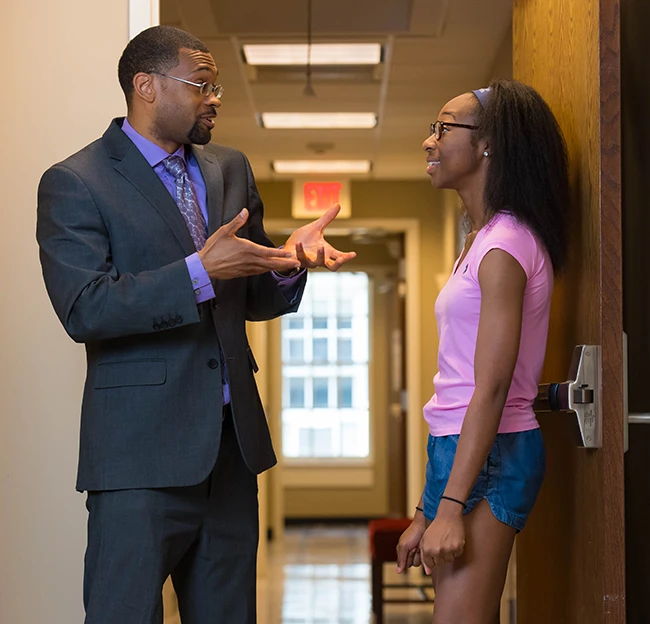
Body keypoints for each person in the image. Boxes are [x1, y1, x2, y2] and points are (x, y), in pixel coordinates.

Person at [36, 25, 355, 624]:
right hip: (137, 460)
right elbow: (84, 306)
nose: (215, 98)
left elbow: (249, 294)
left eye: (217, 87)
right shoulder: (77, 181)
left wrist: (288, 262)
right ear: (146, 86)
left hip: (232, 455)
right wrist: (197, 272)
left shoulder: (229, 168)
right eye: (201, 84)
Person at [396, 79, 570, 623]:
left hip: (491, 451)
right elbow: (457, 382)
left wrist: (450, 507)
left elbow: (491, 387)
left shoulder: (507, 243)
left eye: (444, 127)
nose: (429, 140)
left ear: (488, 143)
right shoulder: (481, 238)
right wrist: (429, 508)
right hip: (457, 446)